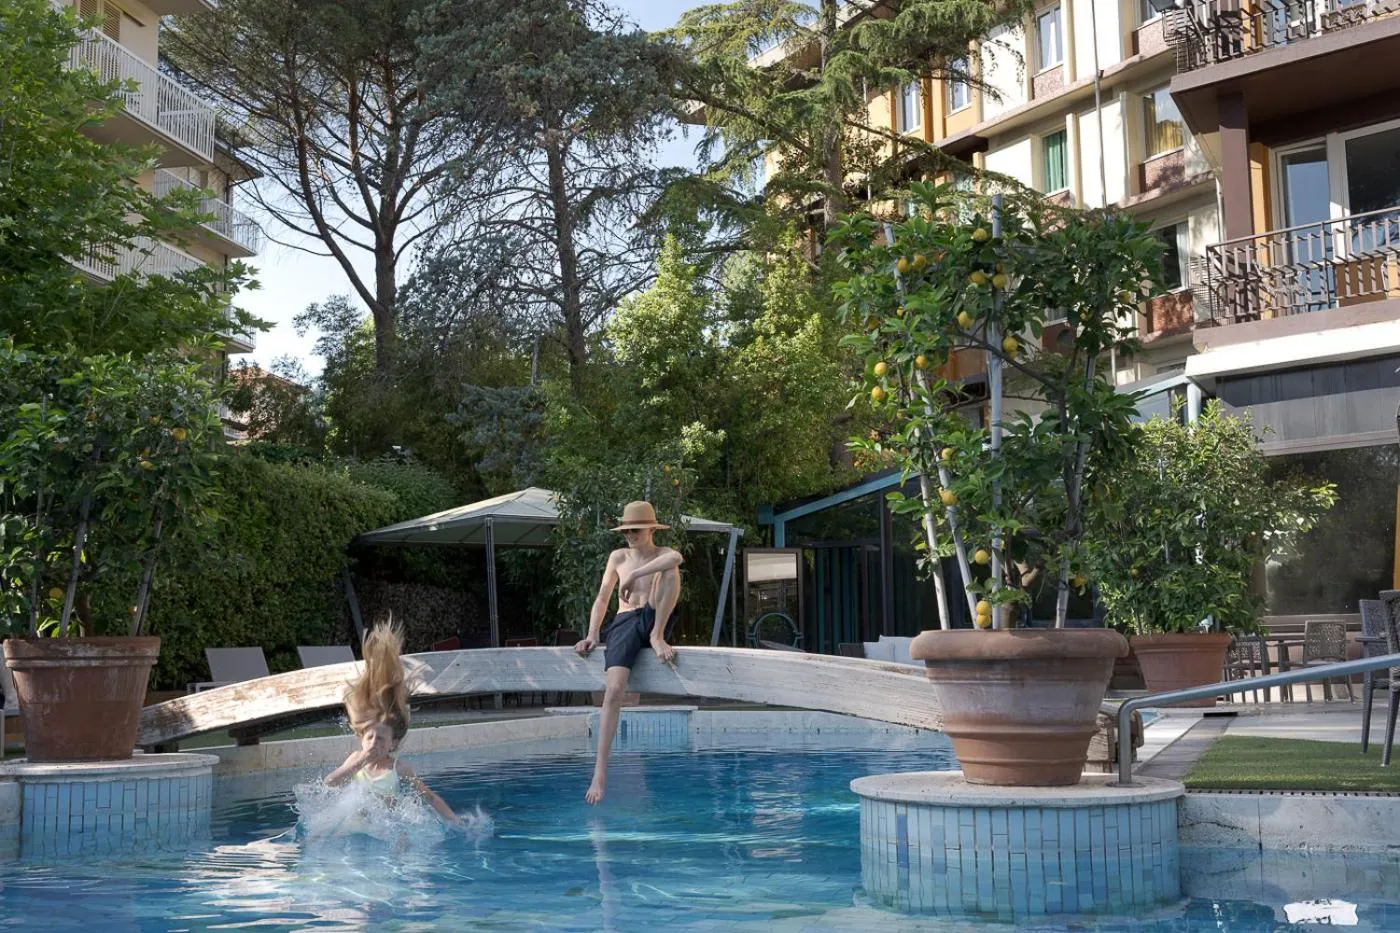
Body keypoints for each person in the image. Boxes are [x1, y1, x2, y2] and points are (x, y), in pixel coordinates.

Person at [574, 500, 683, 804]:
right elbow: (602, 597)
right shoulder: (618, 557)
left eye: (635, 529)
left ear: (650, 528)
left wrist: (635, 576)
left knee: (671, 570)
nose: (630, 535)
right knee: (614, 691)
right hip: (623, 623)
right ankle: (600, 772)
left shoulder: (663, 554)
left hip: (651, 617)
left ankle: (658, 636)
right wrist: (592, 634)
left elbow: (677, 556)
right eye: (626, 530)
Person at [324, 623, 464, 829]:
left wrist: (456, 821)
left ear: (393, 743)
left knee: (400, 834)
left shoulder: (398, 768)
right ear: (361, 739)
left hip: (386, 829)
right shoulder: (355, 760)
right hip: (355, 827)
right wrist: (361, 760)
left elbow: (430, 798)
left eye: (380, 738)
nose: (373, 742)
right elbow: (330, 783)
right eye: (369, 737)